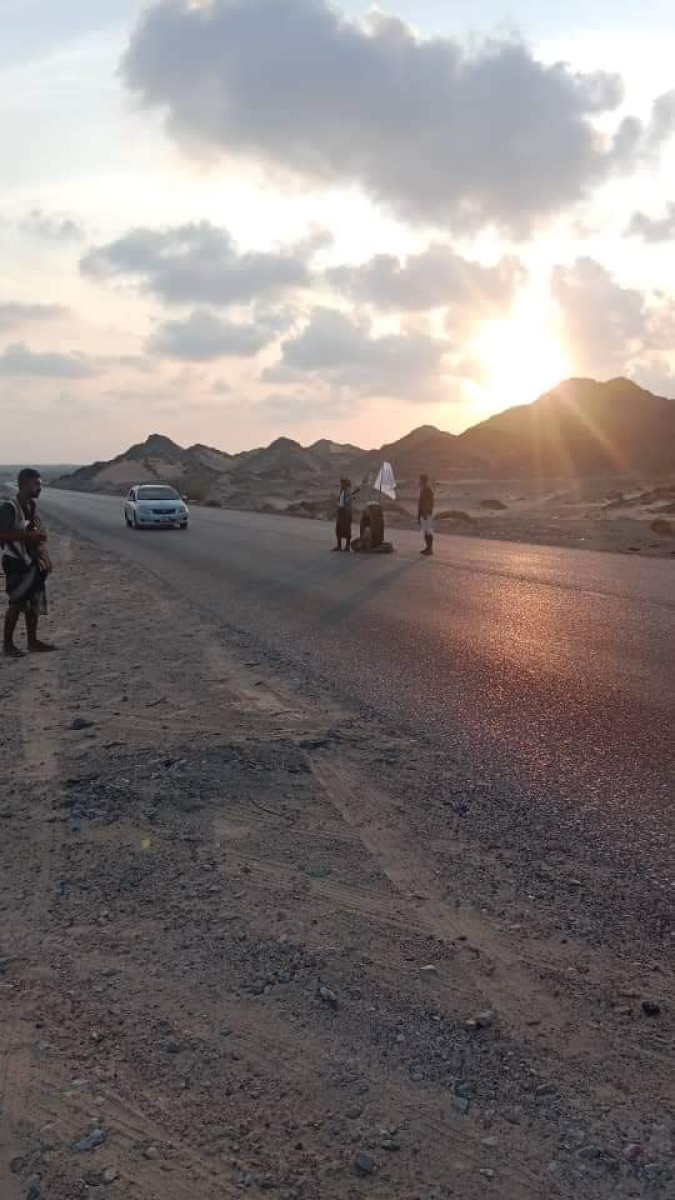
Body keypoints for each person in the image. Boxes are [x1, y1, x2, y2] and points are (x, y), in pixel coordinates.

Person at [1, 468, 54, 658]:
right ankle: (7, 646)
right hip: (15, 561)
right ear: (24, 484)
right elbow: (2, 534)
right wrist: (28, 535)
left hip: (31, 561)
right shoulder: (9, 507)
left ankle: (33, 642)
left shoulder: (30, 505)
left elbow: (30, 530)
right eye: (36, 484)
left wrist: (37, 535)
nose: (39, 488)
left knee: (33, 602)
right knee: (16, 602)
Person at [333, 477, 357, 552]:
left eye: (342, 482)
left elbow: (345, 503)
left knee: (345, 529)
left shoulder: (346, 491)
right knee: (340, 529)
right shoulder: (344, 491)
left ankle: (346, 547)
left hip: (345, 513)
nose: (341, 484)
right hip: (343, 512)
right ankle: (340, 546)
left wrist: (350, 498)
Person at [418, 474, 435, 556]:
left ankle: (429, 549)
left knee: (428, 531)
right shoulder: (424, 490)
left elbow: (429, 503)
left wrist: (425, 513)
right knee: (425, 531)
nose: (419, 482)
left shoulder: (427, 490)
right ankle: (428, 548)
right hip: (424, 513)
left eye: (420, 480)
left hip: (426, 513)